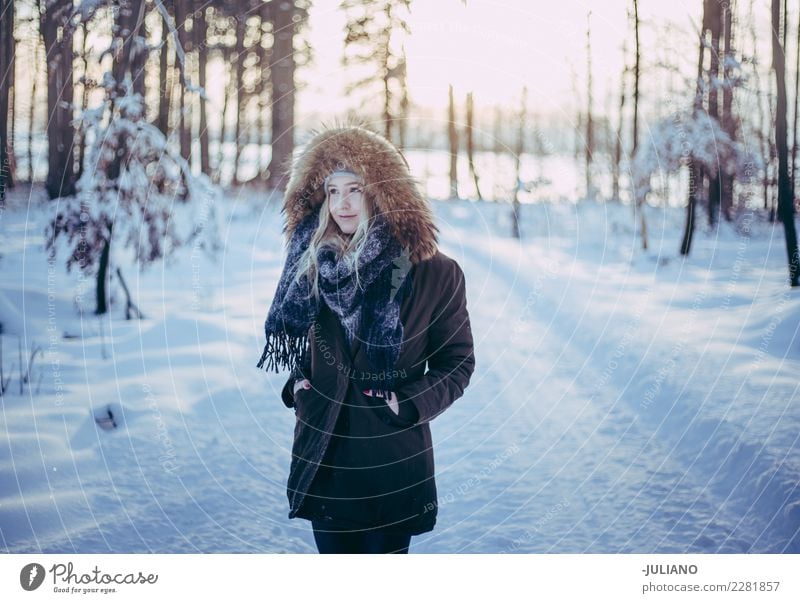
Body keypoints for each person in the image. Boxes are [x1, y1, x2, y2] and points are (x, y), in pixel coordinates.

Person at [256, 124, 475, 554]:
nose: (342, 204)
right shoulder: (311, 263)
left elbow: (457, 363)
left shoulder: (434, 272)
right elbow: (306, 346)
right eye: (332, 190)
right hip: (325, 458)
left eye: (355, 188)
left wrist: (407, 403)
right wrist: (299, 386)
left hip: (390, 460)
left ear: (381, 191)